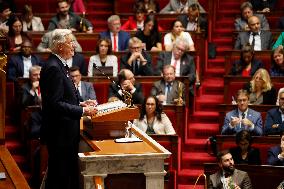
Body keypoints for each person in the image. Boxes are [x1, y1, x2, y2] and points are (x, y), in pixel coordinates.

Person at [39, 29, 97, 189]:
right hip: (59, 134)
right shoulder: (53, 67)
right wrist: (83, 111)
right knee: (60, 177)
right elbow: (55, 104)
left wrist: (81, 104)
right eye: (70, 42)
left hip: (66, 131)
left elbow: (64, 97)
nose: (74, 45)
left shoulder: (60, 65)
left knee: (65, 175)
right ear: (59, 46)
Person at [21, 66, 42, 139]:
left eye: (40, 74)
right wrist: (32, 90)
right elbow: (24, 104)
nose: (38, 77)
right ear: (30, 76)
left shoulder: (47, 85)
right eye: (35, 75)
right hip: (33, 117)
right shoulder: (25, 87)